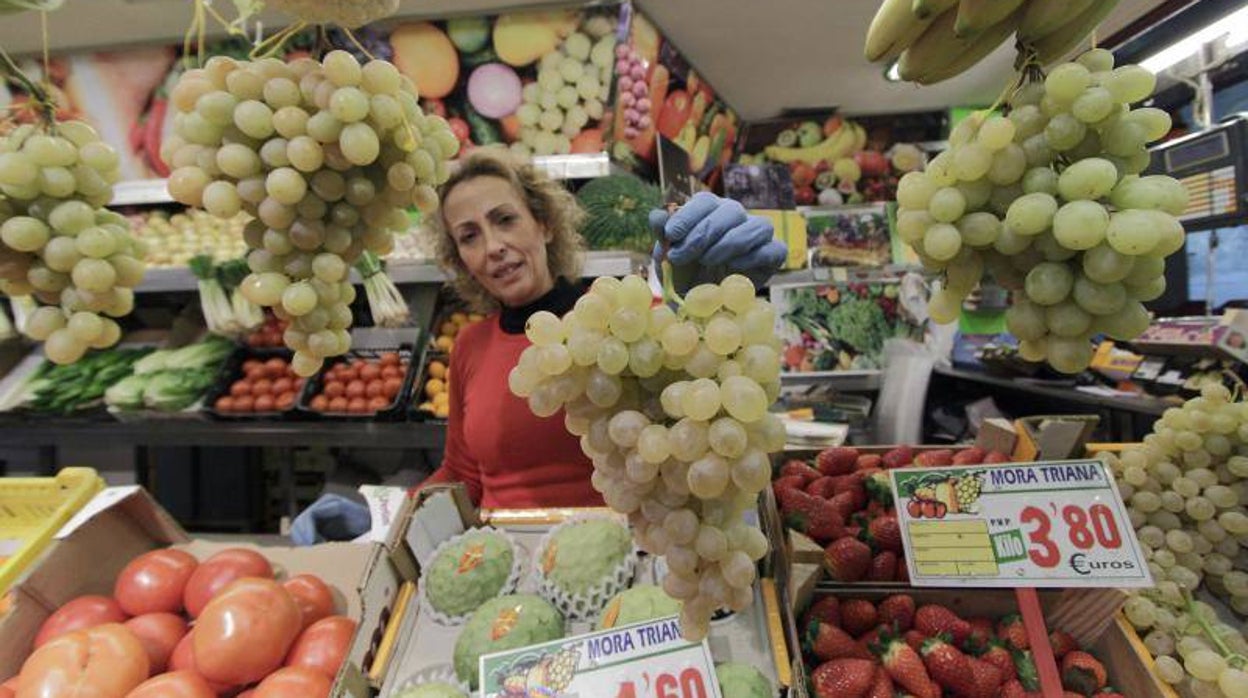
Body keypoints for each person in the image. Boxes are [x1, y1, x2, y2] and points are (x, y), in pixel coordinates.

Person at [291, 149, 786, 544]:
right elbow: (462, 475)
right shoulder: (469, 345)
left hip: (623, 554)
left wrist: (706, 301)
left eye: (504, 219)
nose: (492, 247)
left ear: (544, 223)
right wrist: (383, 514)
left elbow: (693, 410)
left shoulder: (621, 320)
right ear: (459, 257)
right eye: (469, 236)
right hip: (508, 564)